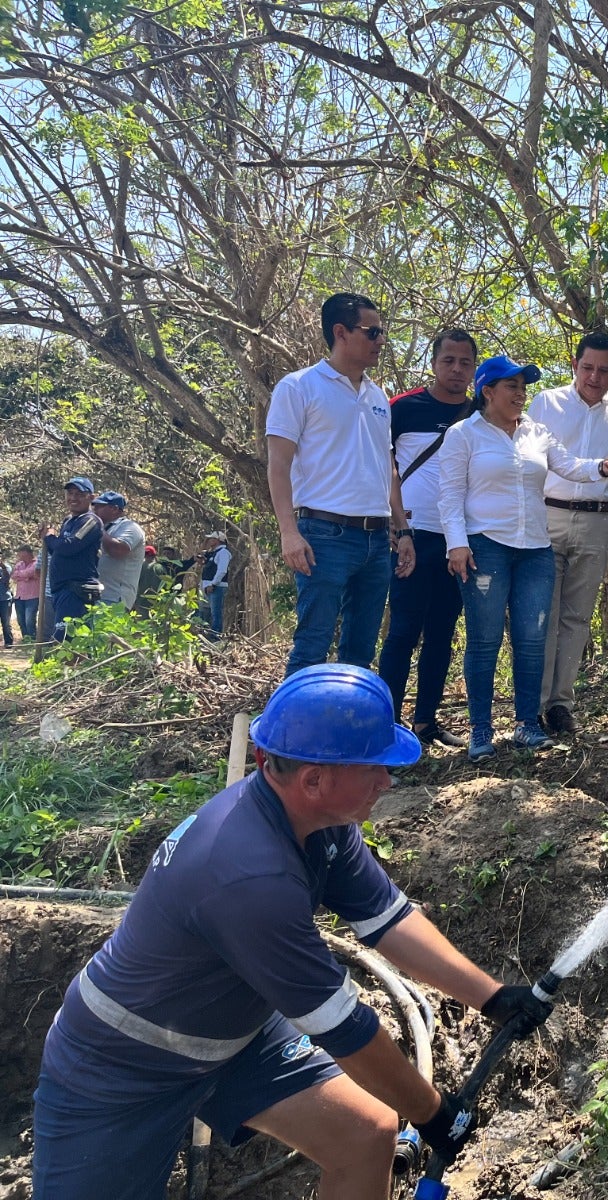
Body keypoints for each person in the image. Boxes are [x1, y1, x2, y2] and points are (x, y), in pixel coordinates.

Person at [30, 664, 554, 1199]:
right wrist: (432, 1111)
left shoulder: (319, 823)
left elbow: (388, 920)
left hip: (236, 1036)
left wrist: (490, 998)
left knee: (365, 1135)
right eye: (374, 767)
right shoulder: (249, 876)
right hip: (123, 1065)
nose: (387, 780)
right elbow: (344, 1028)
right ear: (314, 780)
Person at [437, 354, 608, 762]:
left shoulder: (536, 432)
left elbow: (570, 467)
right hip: (485, 547)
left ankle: (526, 724)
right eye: (512, 386)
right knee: (485, 639)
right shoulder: (464, 434)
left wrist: (602, 466)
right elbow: (450, 495)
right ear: (487, 391)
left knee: (531, 640)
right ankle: (480, 731)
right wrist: (456, 543)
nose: (520, 394)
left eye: (524, 387)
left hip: (535, 550)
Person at [266, 292, 415, 679]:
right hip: (323, 536)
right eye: (373, 331)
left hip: (376, 541)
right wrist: (289, 533)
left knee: (360, 653)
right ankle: (292, 739)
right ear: (340, 332)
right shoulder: (299, 387)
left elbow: (388, 468)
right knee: (312, 646)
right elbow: (278, 465)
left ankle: (344, 736)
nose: (381, 340)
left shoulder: (377, 394)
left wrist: (403, 531)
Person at [528, 330, 608, 735]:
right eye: (587, 368)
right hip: (547, 516)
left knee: (577, 617)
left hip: (597, 520)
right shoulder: (547, 403)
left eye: (603, 370)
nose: (594, 378)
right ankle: (534, 706)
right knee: (543, 614)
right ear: (574, 366)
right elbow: (526, 462)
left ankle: (561, 704)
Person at [376, 329, 479, 748]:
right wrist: (399, 529)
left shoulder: (480, 412)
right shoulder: (401, 408)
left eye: (465, 362)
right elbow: (387, 471)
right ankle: (386, 727)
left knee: (442, 631)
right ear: (434, 362)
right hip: (412, 537)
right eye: (448, 360)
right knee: (402, 631)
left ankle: (425, 723)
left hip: (458, 539)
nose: (456, 369)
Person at [36, 476, 103, 641]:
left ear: (91, 497)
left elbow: (69, 546)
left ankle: (74, 667)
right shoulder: (69, 521)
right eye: (70, 493)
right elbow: (58, 552)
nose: (73, 498)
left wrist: (50, 537)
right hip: (60, 590)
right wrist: (47, 538)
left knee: (67, 642)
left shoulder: (90, 521)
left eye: (80, 494)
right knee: (62, 641)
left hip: (76, 590)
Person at [91, 491, 145, 609]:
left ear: (114, 509)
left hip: (114, 598)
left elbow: (117, 550)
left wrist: (96, 526)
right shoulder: (104, 528)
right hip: (95, 596)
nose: (94, 510)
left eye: (99, 506)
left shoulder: (130, 527)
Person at [197, 532, 232, 635]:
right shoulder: (213, 553)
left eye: (212, 539)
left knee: (215, 613)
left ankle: (215, 636)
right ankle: (204, 634)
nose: (209, 541)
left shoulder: (223, 553)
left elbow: (222, 570)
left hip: (216, 587)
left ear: (218, 540)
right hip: (207, 586)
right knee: (204, 611)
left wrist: (213, 584)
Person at [12, 545, 40, 640]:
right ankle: (26, 639)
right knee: (21, 620)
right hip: (19, 597)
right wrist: (27, 576)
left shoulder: (36, 563)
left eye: (22, 555)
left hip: (32, 597)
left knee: (29, 621)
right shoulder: (19, 564)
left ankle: (32, 640)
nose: (20, 557)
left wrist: (24, 575)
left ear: (28, 553)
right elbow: (14, 575)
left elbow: (31, 572)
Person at [0, 553, 12, 647]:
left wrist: (2, 566)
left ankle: (8, 642)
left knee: (6, 623)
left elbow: (6, 580)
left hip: (4, 599)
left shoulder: (6, 567)